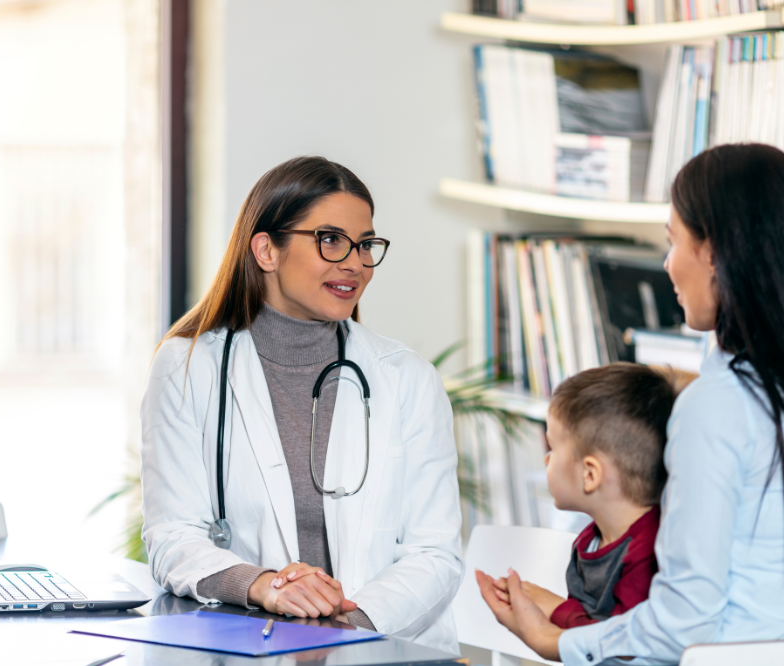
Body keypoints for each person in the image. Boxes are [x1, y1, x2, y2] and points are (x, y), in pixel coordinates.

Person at [139, 156, 464, 651]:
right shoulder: (188, 365)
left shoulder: (407, 378)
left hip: (382, 650)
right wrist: (262, 584)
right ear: (266, 250)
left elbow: (435, 553)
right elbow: (173, 537)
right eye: (331, 240)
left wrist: (343, 627)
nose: (354, 263)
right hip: (251, 647)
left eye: (365, 245)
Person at [477, 143, 784, 664]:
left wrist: (558, 641)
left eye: (673, 242)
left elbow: (685, 620)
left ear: (713, 253)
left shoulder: (716, 407)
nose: (667, 265)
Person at [484, 364, 678, 631]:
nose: (546, 459)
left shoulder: (648, 553)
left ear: (590, 474)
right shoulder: (589, 541)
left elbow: (619, 643)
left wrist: (554, 608)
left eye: (552, 448)